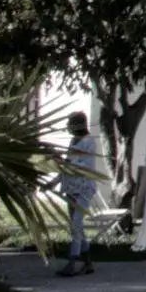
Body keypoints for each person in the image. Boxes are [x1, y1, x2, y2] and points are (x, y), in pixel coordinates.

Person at [52, 110, 105, 277]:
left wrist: (64, 161)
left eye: (70, 124)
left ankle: (72, 261)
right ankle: (88, 262)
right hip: (70, 187)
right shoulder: (73, 140)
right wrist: (52, 183)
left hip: (83, 188)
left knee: (76, 224)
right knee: (77, 226)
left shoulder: (89, 142)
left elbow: (81, 165)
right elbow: (66, 169)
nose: (68, 128)